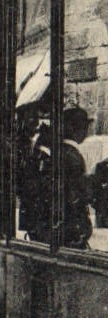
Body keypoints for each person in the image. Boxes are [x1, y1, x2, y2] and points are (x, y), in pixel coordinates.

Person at [63, 106, 93, 249]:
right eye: (84, 127)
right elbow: (78, 192)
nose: (85, 131)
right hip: (73, 226)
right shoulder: (73, 155)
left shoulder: (62, 151)